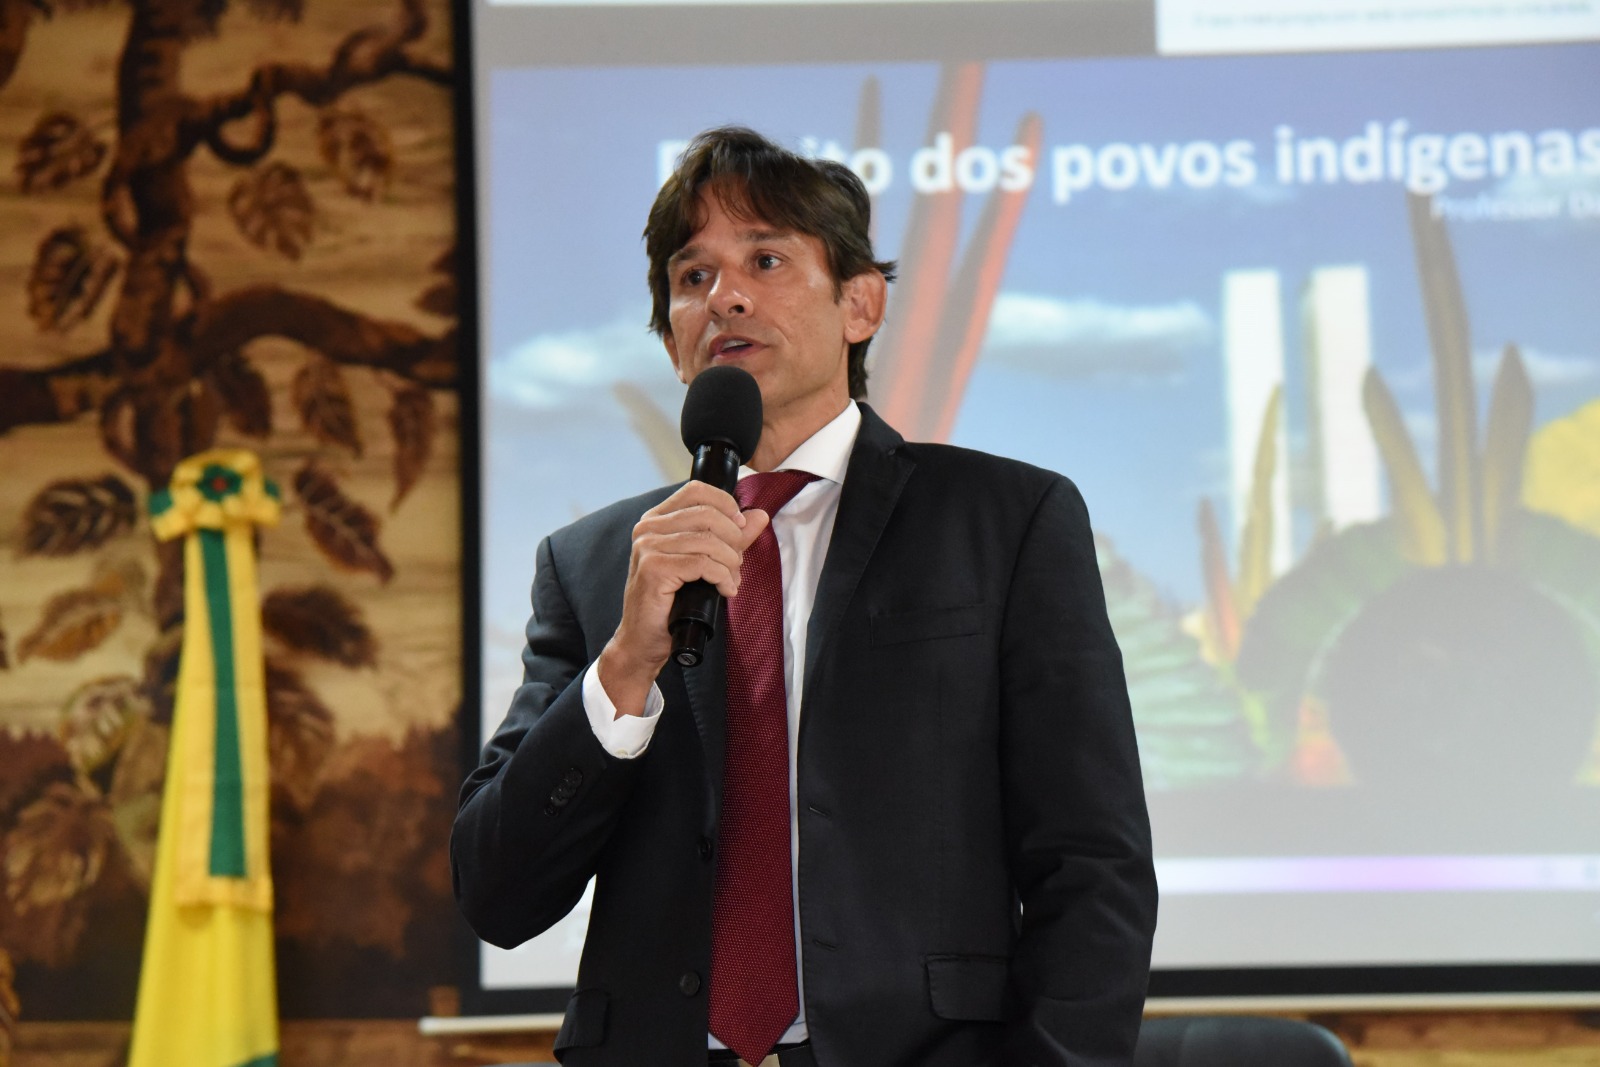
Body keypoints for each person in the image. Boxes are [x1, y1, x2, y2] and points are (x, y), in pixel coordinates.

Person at [452, 126, 1157, 1067]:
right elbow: (496, 894)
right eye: (692, 276)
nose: (725, 296)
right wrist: (624, 665)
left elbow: (1093, 863)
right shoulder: (593, 565)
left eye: (767, 259)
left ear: (861, 303)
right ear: (672, 343)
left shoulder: (1005, 522)